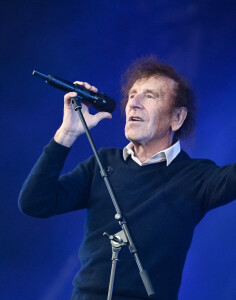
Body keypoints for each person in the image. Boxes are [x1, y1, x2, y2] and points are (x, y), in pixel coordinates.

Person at [18, 56, 236, 300]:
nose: (134, 103)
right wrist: (66, 134)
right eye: (132, 95)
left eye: (150, 96)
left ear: (177, 118)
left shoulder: (197, 177)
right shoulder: (102, 163)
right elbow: (34, 203)